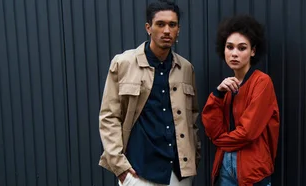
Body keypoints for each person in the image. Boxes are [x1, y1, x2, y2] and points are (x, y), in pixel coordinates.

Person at [98, 1, 200, 185]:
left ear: (179, 29)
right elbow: (109, 116)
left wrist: (195, 156)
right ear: (148, 28)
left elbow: (192, 117)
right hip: (138, 172)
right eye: (160, 24)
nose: (167, 30)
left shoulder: (185, 68)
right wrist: (120, 167)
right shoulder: (123, 64)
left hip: (178, 173)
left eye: (172, 25)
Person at [202, 15, 280, 186]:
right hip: (225, 166)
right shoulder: (228, 88)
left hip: (252, 169)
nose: (234, 53)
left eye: (242, 48)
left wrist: (219, 141)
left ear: (253, 51)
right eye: (229, 47)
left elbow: (247, 132)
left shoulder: (262, 82)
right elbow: (211, 128)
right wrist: (217, 94)